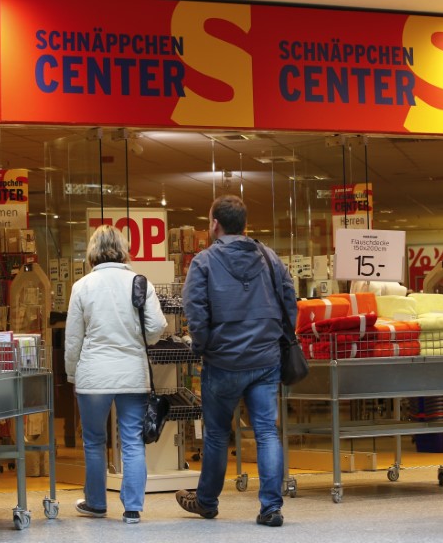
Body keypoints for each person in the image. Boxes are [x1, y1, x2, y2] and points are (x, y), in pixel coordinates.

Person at [176, 195, 297, 527]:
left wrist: (204, 345)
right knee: (266, 433)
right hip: (266, 358)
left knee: (216, 435)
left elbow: (195, 310)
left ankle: (207, 501)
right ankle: (271, 507)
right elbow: (290, 299)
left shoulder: (203, 262)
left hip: (222, 361)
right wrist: (277, 336)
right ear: (245, 224)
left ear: (215, 223)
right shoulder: (269, 258)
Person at [65, 225, 167, 524]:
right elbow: (157, 327)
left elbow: (73, 339)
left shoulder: (82, 286)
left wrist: (74, 375)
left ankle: (96, 503)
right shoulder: (139, 282)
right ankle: (133, 508)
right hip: (131, 373)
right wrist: (141, 340)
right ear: (123, 249)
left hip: (93, 375)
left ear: (93, 251)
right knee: (133, 441)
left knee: (94, 441)